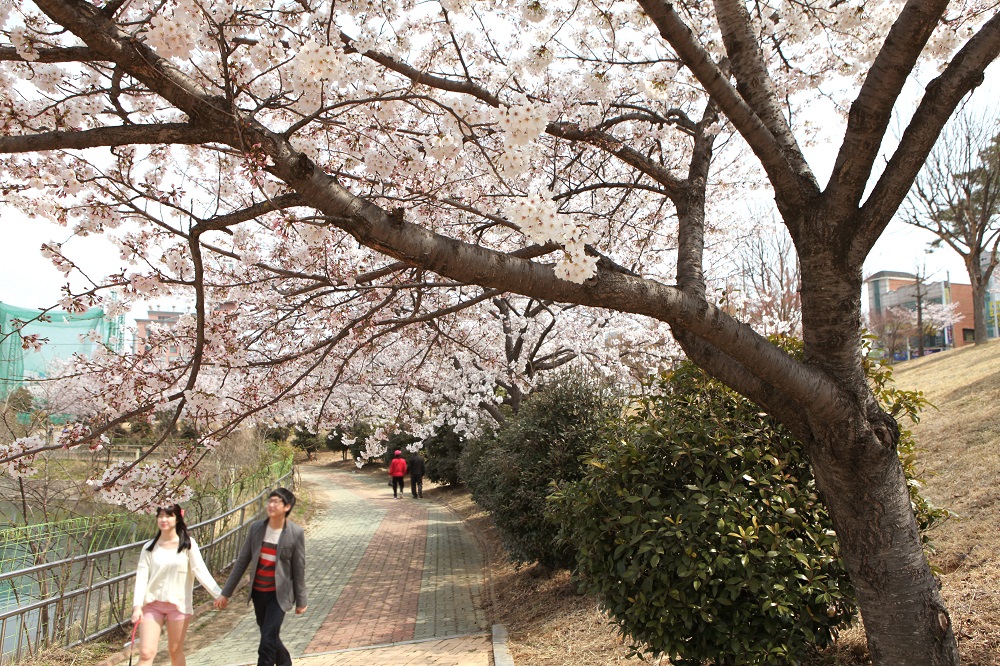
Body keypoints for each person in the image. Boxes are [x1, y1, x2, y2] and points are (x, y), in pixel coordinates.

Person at [214, 488, 307, 666]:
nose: (271, 505)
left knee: (266, 642)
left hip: (279, 596)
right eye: (269, 501)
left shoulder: (295, 533)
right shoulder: (256, 529)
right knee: (269, 636)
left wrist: (301, 600)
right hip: (258, 593)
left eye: (276, 502)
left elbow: (299, 568)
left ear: (287, 507)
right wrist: (225, 593)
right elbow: (242, 562)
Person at [131, 504, 223, 666]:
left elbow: (200, 571)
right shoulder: (149, 547)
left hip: (179, 605)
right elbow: (142, 578)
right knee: (146, 653)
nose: (164, 519)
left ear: (177, 519)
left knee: (175, 651)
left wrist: (219, 594)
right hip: (152, 605)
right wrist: (137, 606)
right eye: (160, 516)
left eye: (169, 516)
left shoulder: (188, 545)